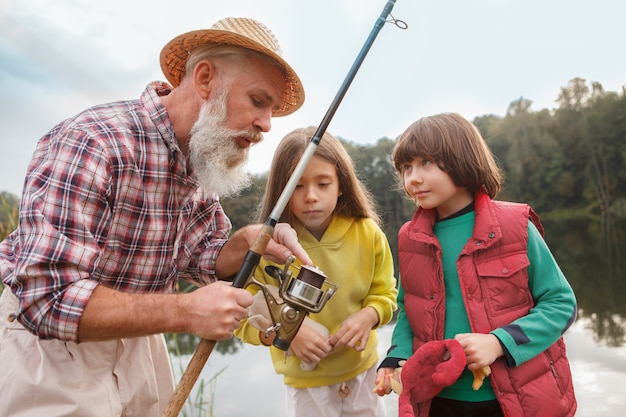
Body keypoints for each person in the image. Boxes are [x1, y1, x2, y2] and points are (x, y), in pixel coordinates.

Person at [0, 17, 313, 417]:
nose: (266, 125)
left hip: (141, 349)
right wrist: (185, 312)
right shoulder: (93, 141)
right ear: (204, 79)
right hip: (51, 357)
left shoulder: (200, 155)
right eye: (257, 101)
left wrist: (244, 244)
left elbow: (200, 254)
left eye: (270, 109)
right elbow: (47, 298)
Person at [374, 113, 577, 417]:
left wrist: (499, 342)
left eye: (425, 163)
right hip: (438, 400)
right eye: (406, 167)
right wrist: (395, 358)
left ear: (461, 159)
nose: (412, 178)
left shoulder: (515, 225)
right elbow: (408, 313)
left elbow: (562, 304)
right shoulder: (410, 238)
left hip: (513, 401)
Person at [235, 126, 398, 417]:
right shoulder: (268, 246)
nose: (310, 196)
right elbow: (241, 317)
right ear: (282, 190)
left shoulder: (368, 233)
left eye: (323, 184)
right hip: (306, 387)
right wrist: (286, 334)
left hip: (363, 373)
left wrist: (368, 315)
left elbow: (385, 295)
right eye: (297, 185)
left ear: (341, 186)